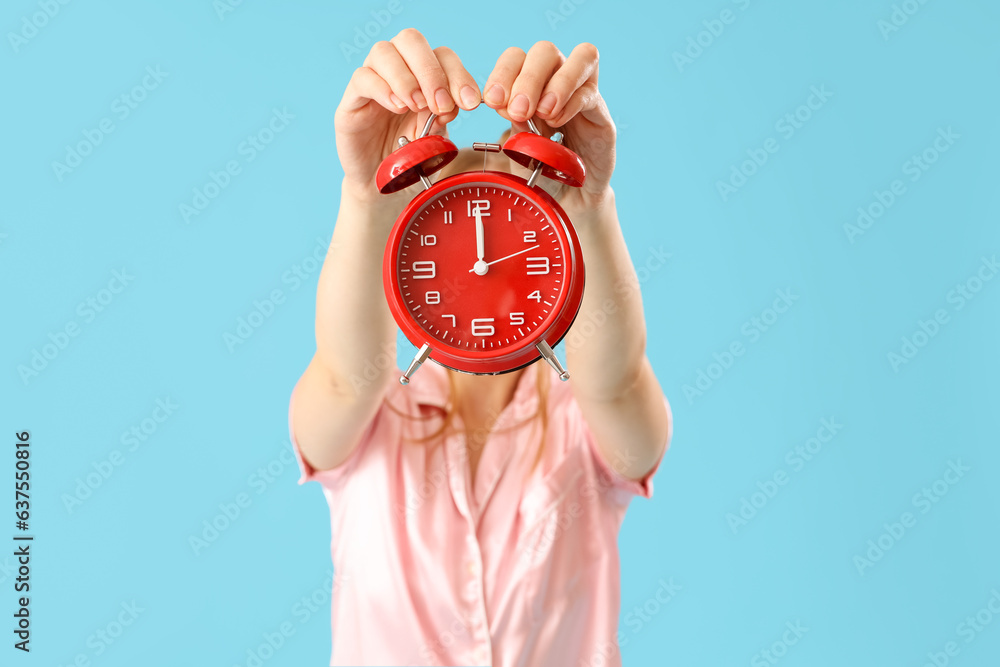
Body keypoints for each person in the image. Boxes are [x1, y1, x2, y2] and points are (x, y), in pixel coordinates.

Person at [288, 27, 672, 667]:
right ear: (411, 244)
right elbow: (342, 380)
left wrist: (590, 200)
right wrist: (364, 194)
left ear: (555, 240)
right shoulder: (373, 409)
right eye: (458, 231)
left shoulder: (583, 422)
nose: (483, 259)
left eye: (511, 224)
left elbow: (619, 383)